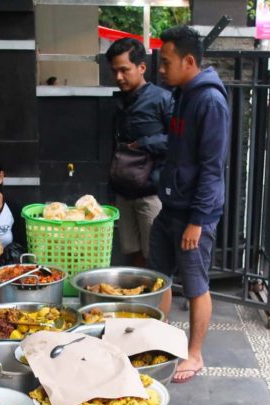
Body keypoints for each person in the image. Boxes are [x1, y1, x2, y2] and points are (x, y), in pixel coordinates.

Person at [151, 25, 230, 384]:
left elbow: (213, 168)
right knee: (160, 280)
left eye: (166, 62)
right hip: (171, 207)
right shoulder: (182, 93)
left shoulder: (210, 101)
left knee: (196, 285)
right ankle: (161, 341)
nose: (161, 69)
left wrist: (197, 221)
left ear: (189, 60)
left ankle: (194, 354)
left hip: (193, 215)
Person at [106, 37, 173, 266]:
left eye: (124, 70)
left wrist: (144, 143)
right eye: (114, 71)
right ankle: (135, 301)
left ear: (141, 67)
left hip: (151, 194)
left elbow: (178, 140)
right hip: (124, 192)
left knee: (154, 256)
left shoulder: (162, 99)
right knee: (132, 252)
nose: (118, 77)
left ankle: (155, 302)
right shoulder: (120, 101)